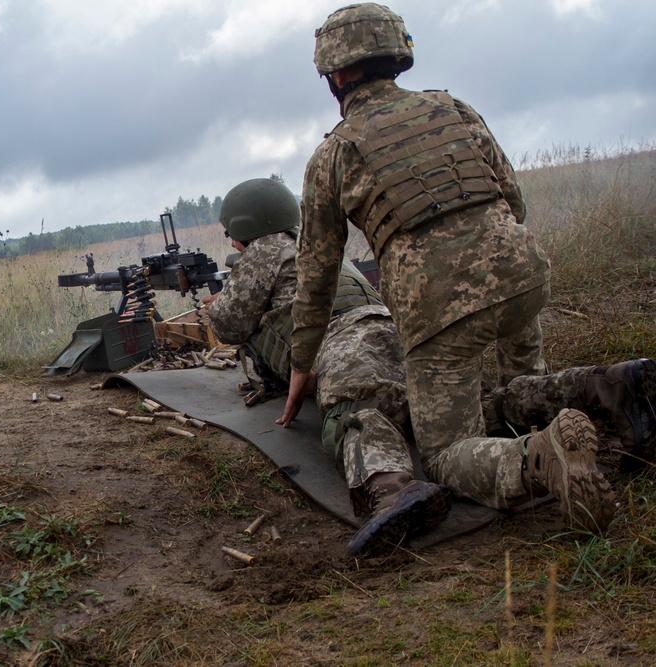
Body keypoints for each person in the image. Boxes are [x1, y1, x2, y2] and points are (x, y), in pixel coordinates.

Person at [280, 3, 618, 534]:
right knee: (517, 389)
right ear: (397, 55)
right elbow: (513, 200)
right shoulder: (453, 109)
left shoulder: (333, 156)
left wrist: (302, 362)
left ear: (336, 76)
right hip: (524, 275)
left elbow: (318, 274)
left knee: (444, 453)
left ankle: (537, 459)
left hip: (439, 314)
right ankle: (615, 397)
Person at [205, 177, 452, 557]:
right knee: (454, 403)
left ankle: (392, 493)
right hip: (392, 329)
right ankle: (569, 389)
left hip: (343, 343)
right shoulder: (316, 241)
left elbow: (230, 325)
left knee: (351, 418)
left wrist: (215, 305)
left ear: (241, 228)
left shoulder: (264, 251)